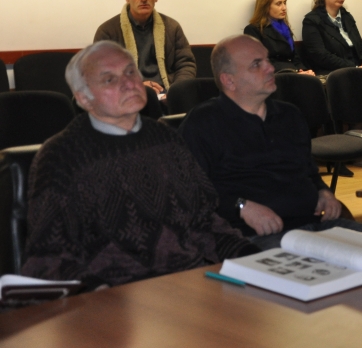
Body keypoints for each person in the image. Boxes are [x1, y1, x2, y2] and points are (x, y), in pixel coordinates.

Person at [22, 41, 256, 289]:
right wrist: (98, 294)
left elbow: (205, 222)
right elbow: (49, 258)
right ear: (83, 98)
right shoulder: (62, 156)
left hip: (190, 283)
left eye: (130, 72)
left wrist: (253, 258)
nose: (128, 83)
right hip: (116, 294)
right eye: (109, 79)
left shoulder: (165, 138)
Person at [180, 35, 362, 250]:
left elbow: (309, 172)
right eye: (256, 64)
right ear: (228, 80)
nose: (270, 68)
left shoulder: (290, 115)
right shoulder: (202, 124)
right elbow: (190, 191)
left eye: (267, 60)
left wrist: (323, 191)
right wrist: (240, 206)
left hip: (315, 224)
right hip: (251, 236)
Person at [94, 0, 196, 95]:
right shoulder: (108, 31)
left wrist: (175, 91)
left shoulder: (172, 27)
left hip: (167, 92)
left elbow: (186, 64)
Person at [301, 0, 362, 75]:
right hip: (333, 73)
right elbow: (320, 55)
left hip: (358, 70)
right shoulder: (312, 21)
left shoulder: (347, 17)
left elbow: (361, 46)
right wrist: (354, 67)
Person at [244, 0, 314, 75]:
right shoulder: (252, 30)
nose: (284, 8)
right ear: (265, 6)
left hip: (292, 73)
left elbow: (295, 58)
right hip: (274, 77)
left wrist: (303, 70)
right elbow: (260, 64)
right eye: (278, 4)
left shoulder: (285, 28)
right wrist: (294, 73)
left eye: (284, 3)